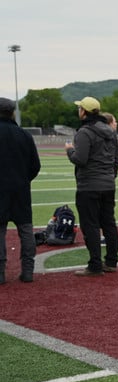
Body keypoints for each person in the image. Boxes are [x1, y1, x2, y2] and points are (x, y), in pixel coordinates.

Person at [65, 97, 118, 277]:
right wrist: (109, 177)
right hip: (107, 184)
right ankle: (111, 261)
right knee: (109, 223)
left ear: (84, 111)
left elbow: (80, 159)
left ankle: (95, 264)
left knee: (90, 226)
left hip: (89, 185)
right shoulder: (110, 132)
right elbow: (116, 160)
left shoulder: (84, 132)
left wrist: (69, 150)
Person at [0, 97, 40, 284]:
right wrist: (23, 180)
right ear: (12, 112)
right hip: (21, 189)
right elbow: (35, 165)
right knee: (25, 229)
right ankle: (28, 271)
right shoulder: (24, 135)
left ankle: (0, 273)